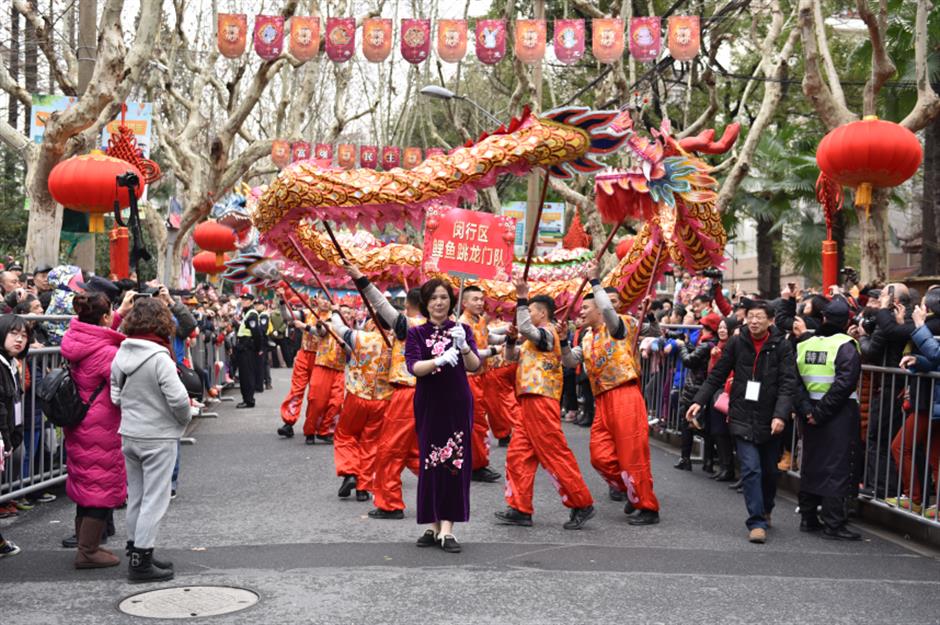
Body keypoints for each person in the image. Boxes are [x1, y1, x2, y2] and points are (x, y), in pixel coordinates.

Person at [687, 300, 796, 544]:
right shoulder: (737, 342)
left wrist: (780, 415)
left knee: (769, 471)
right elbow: (717, 374)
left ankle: (766, 508)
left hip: (770, 418)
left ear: (770, 321)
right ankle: (756, 521)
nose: (754, 321)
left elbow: (789, 383)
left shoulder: (782, 345)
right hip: (742, 413)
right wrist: (699, 401)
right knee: (750, 469)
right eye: (751, 317)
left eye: (759, 317)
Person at [495, 278, 595, 530]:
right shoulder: (532, 340)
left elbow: (528, 329)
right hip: (527, 402)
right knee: (518, 456)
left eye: (530, 310)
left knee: (553, 453)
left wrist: (521, 297)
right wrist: (509, 340)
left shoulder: (548, 334)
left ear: (542, 313)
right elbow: (510, 357)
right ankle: (519, 507)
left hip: (541, 400)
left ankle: (580, 502)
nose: (526, 315)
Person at [111, 297, 192, 583]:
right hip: (158, 435)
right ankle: (141, 561)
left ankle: (137, 550)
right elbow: (179, 399)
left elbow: (115, 393)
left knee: (137, 497)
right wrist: (183, 419)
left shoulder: (121, 352)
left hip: (130, 432)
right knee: (154, 501)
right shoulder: (160, 357)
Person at [405, 279, 481, 553]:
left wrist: (463, 348)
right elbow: (414, 367)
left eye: (444, 297)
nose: (439, 302)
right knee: (429, 461)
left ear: (451, 301)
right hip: (429, 403)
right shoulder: (416, 334)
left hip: (457, 402)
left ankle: (447, 528)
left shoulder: (462, 330)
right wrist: (438, 360)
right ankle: (432, 524)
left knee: (454, 462)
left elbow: (474, 367)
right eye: (433, 298)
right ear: (425, 303)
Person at [341, 260, 422, 519]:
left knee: (388, 451)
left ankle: (390, 504)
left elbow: (380, 305)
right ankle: (445, 487)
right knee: (415, 451)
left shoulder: (409, 325)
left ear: (409, 305)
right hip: (424, 395)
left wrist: (360, 278)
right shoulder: (444, 327)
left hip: (405, 394)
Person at [60, 291, 134, 568]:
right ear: (104, 316)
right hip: (101, 425)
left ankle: (84, 543)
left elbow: (97, 333)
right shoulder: (106, 352)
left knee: (85, 483)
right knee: (100, 487)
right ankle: (88, 551)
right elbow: (122, 384)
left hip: (80, 421)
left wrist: (118, 315)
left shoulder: (76, 339)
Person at [794, 298, 863, 540]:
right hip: (837, 414)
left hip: (809, 412)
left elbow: (794, 381)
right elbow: (844, 384)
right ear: (847, 321)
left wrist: (808, 411)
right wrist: (821, 412)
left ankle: (808, 517)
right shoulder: (846, 345)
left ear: (823, 319)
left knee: (812, 463)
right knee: (836, 465)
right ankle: (834, 523)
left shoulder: (805, 344)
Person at [329, 303, 392, 502]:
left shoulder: (360, 337)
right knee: (371, 442)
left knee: (345, 435)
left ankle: (349, 473)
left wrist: (334, 311)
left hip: (357, 395)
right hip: (382, 399)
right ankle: (364, 488)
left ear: (373, 321)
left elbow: (338, 328)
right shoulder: (398, 342)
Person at [458, 285, 502, 483]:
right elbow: (471, 351)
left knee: (479, 420)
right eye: (474, 299)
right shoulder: (462, 324)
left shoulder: (480, 319)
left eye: (481, 299)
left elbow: (488, 337)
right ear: (464, 302)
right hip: (468, 378)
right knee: (476, 423)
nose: (479, 302)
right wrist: (495, 351)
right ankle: (477, 465)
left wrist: (509, 336)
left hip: (482, 376)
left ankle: (473, 462)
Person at [674, 313, 721, 472]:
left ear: (708, 329)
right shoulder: (715, 345)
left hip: (694, 388)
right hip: (707, 390)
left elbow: (689, 361)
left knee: (687, 423)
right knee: (706, 427)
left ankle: (685, 459)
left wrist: (681, 347)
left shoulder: (706, 345)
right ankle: (708, 462)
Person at [277, 294, 319, 439]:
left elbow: (322, 332)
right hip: (304, 355)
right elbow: (287, 316)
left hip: (322, 359)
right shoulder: (306, 313)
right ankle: (289, 422)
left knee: (316, 396)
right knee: (296, 390)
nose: (317, 300)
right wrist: (282, 301)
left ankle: (313, 426)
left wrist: (306, 327)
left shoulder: (333, 316)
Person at [0, 315, 28, 520]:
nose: (19, 339)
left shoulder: (11, 362)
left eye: (24, 335)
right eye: (14, 333)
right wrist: (5, 438)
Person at [235, 293, 263, 408]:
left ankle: (249, 400)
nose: (243, 301)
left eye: (246, 300)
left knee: (247, 375)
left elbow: (256, 333)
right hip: (244, 347)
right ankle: (246, 398)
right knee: (244, 374)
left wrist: (258, 348)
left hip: (247, 348)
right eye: (243, 299)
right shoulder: (247, 314)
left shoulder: (252, 314)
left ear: (251, 302)